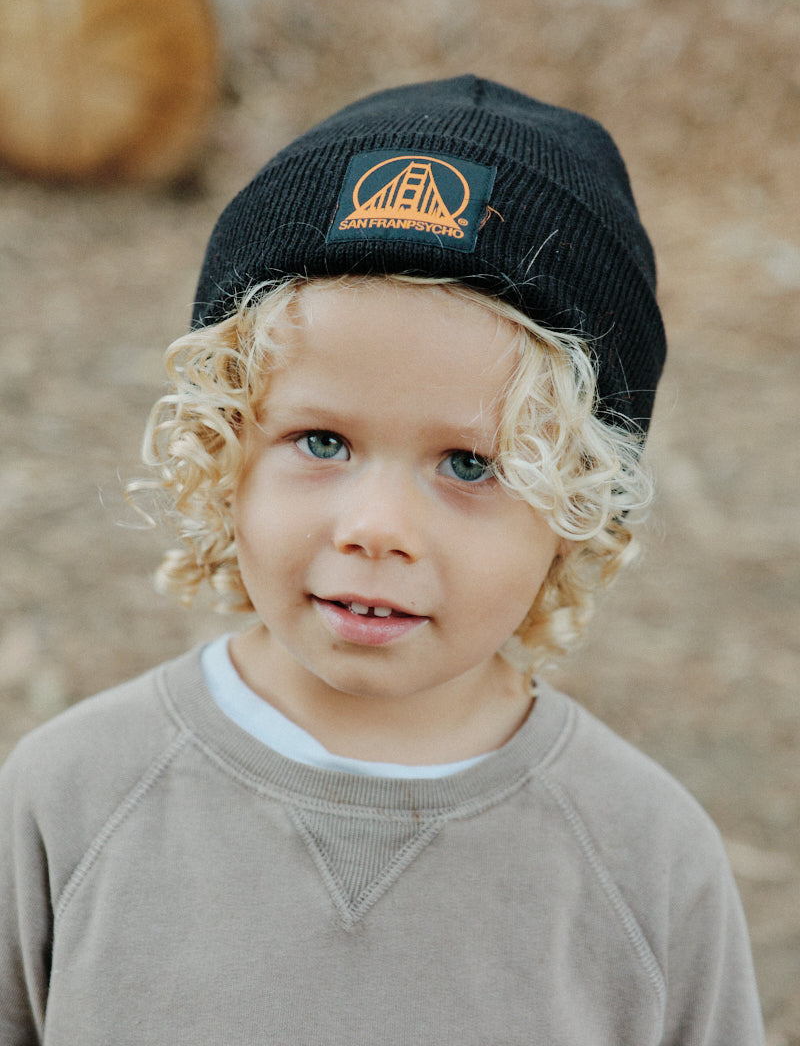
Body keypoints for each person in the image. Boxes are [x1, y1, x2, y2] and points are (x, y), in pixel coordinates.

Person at [0, 76, 764, 1044]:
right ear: (221, 448)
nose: (377, 527)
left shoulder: (645, 857)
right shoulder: (71, 796)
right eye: (321, 441)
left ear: (576, 508)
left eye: (467, 464)